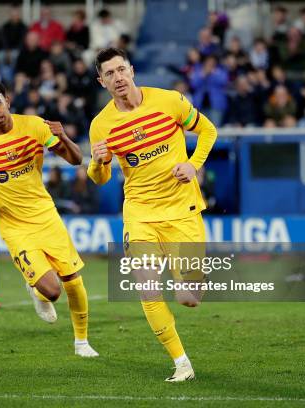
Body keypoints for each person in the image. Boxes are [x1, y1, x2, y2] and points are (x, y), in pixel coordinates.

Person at [87, 48, 217, 381]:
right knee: (147, 288)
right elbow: (99, 178)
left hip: (181, 210)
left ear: (131, 69)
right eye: (109, 74)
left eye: (121, 70)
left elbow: (208, 131)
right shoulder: (101, 125)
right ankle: (181, 363)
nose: (118, 78)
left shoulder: (170, 101)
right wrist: (99, 161)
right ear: (101, 82)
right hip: (139, 213)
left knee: (188, 297)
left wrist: (193, 164)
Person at [0, 80, 98, 357]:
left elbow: (74, 160)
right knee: (53, 291)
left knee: (72, 280)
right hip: (13, 224)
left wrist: (64, 137)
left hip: (45, 215)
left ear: (7, 101)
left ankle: (81, 343)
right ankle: (37, 288)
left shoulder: (34, 126)